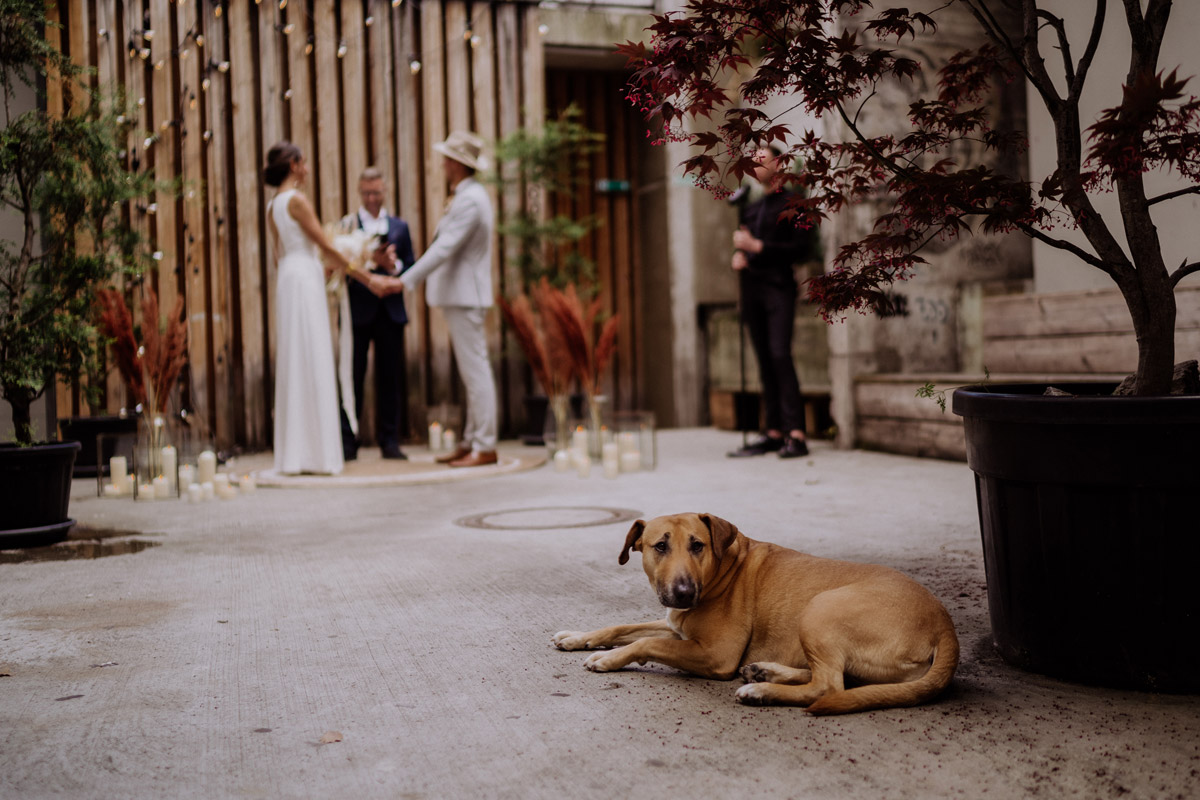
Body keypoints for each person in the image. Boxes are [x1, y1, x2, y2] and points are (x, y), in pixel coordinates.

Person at [374, 131, 498, 468]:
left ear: (458, 164)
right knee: (472, 372)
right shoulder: (466, 196)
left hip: (466, 296)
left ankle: (484, 445)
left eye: (447, 158)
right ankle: (472, 440)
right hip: (462, 296)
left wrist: (405, 280)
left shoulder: (471, 199)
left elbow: (445, 247)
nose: (442, 163)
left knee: (476, 373)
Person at [263, 141, 373, 475]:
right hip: (305, 280)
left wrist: (315, 265)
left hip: (289, 278)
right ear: (295, 165)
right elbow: (325, 246)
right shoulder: (297, 200)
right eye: (305, 163)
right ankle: (319, 454)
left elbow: (278, 254)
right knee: (313, 355)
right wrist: (365, 276)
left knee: (296, 355)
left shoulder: (272, 207)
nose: (307, 169)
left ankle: (294, 454)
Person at [727, 145, 814, 460]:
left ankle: (796, 433)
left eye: (760, 160)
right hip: (752, 288)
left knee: (780, 354)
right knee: (764, 358)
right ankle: (774, 431)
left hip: (779, 287)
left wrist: (758, 247)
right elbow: (749, 247)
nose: (754, 165)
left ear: (778, 163)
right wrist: (742, 256)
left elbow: (800, 249)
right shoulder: (752, 207)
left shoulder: (793, 203)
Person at [339, 167, 416, 461]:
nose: (372, 198)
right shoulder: (349, 226)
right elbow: (341, 264)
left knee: (390, 378)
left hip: (390, 312)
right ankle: (349, 441)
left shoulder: (400, 227)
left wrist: (392, 266)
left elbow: (410, 266)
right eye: (367, 193)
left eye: (376, 192)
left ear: (385, 192)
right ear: (360, 192)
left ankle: (389, 440)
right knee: (352, 376)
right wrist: (370, 264)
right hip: (359, 310)